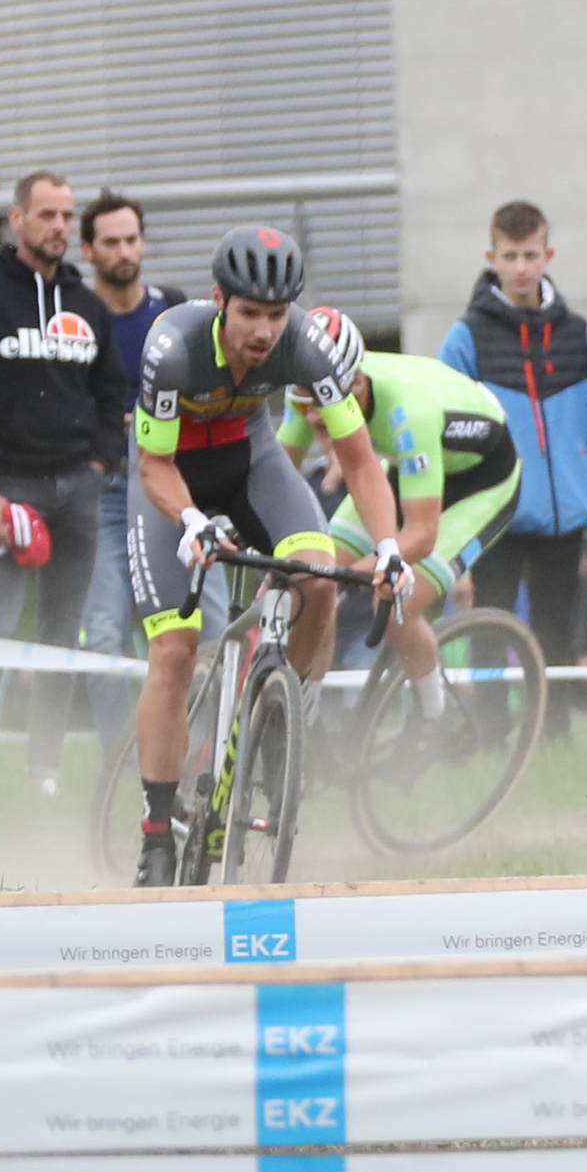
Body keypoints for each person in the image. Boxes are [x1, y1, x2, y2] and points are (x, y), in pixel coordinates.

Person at [126, 227, 409, 886]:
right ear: (220, 300)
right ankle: (155, 832)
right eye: (250, 313)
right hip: (173, 480)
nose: (263, 330)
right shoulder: (173, 346)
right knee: (174, 652)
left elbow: (361, 462)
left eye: (276, 315)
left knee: (315, 577)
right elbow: (154, 465)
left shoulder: (308, 348)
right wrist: (192, 520)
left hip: (251, 462)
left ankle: (283, 724)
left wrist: (390, 547)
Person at [0, 170, 128, 807]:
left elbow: (110, 396)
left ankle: (42, 769)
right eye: (48, 215)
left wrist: (98, 467)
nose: (61, 228)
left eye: (68, 217)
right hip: (4, 490)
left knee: (62, 630)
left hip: (76, 489)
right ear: (17, 220)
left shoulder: (88, 305)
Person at [280, 309, 521, 740]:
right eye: (305, 405)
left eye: (324, 406)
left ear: (354, 385)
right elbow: (275, 478)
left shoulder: (409, 411)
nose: (313, 417)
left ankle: (437, 718)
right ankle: (307, 725)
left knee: (395, 606)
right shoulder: (309, 387)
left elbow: (421, 536)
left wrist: (351, 575)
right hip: (409, 464)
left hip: (482, 478)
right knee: (313, 579)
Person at [440, 201, 587, 740]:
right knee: (490, 621)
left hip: (565, 515)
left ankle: (551, 731)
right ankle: (490, 731)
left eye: (530, 255)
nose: (520, 267)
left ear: (547, 255)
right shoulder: (465, 338)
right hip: (496, 513)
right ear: (492, 258)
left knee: (554, 626)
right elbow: (444, 430)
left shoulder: (579, 334)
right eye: (509, 256)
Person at [72, 188, 206, 759]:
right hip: (104, 491)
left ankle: (199, 756)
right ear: (88, 250)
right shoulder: (73, 318)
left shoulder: (172, 310)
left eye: (132, 239)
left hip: (172, 488)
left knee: (204, 628)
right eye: (111, 242)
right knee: (103, 632)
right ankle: (123, 763)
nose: (124, 251)